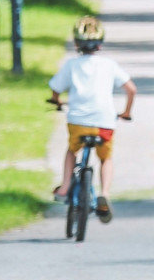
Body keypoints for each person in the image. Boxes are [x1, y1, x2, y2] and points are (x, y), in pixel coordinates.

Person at [48, 16, 136, 223]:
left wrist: (56, 101)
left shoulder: (71, 65)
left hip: (78, 121)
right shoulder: (109, 65)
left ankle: (65, 186)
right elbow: (131, 89)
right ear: (100, 43)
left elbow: (55, 89)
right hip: (104, 122)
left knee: (72, 150)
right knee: (105, 158)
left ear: (76, 43)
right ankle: (105, 192)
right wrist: (126, 112)